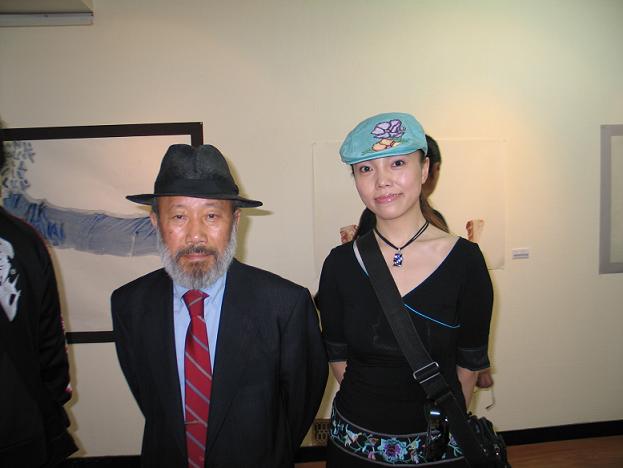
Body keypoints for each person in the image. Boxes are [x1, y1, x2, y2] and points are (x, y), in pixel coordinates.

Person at [111, 144, 327, 468]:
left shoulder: (285, 305)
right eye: (179, 216)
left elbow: (299, 406)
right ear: (155, 221)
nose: (195, 235)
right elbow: (152, 401)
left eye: (211, 216)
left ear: (235, 221)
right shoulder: (130, 304)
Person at [316, 112, 493, 466]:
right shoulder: (339, 264)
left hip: (434, 446)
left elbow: (468, 366)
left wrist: (436, 432)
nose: (382, 181)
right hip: (354, 443)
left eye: (397, 163)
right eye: (366, 169)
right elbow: (338, 357)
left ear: (424, 170)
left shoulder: (466, 261)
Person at [0, 128, 77, 466]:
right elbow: (53, 360)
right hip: (26, 432)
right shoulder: (26, 239)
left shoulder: (25, 241)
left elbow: (50, 348)